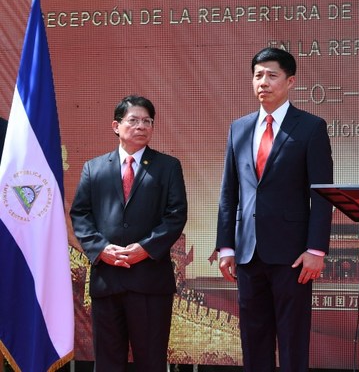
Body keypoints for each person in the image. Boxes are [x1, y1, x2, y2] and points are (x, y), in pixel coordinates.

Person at [216, 47, 333, 372]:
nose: (263, 82)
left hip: (293, 255)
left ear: (290, 81)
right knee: (254, 340)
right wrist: (226, 246)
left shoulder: (310, 127)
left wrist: (316, 249)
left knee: (293, 340)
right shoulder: (239, 128)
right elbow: (229, 193)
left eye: (271, 75)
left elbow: (322, 195)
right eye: (258, 75)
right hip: (248, 253)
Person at [70, 95, 188, 372]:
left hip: (150, 280)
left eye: (147, 121)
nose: (141, 126)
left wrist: (145, 249)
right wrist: (101, 249)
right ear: (116, 126)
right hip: (107, 280)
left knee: (151, 361)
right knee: (108, 362)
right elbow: (80, 214)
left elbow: (175, 215)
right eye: (133, 120)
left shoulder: (167, 167)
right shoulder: (94, 168)